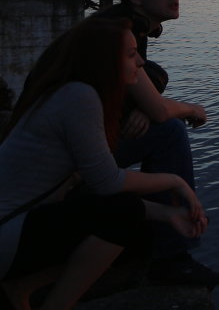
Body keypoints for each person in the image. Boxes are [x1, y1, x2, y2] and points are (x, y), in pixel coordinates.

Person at [0, 16, 207, 310]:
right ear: (103, 61)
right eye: (132, 55)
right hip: (8, 230)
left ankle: (21, 288)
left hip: (18, 226)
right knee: (122, 217)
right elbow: (107, 183)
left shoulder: (73, 92)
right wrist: (176, 182)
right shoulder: (78, 96)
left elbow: (98, 184)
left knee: (138, 235)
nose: (140, 64)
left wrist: (168, 214)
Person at [90, 0, 219, 288]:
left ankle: (146, 242)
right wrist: (192, 108)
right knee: (170, 131)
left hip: (83, 140)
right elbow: (161, 111)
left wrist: (145, 104)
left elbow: (147, 79)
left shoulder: (127, 24)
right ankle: (171, 256)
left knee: (162, 126)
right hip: (71, 156)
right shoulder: (118, 31)